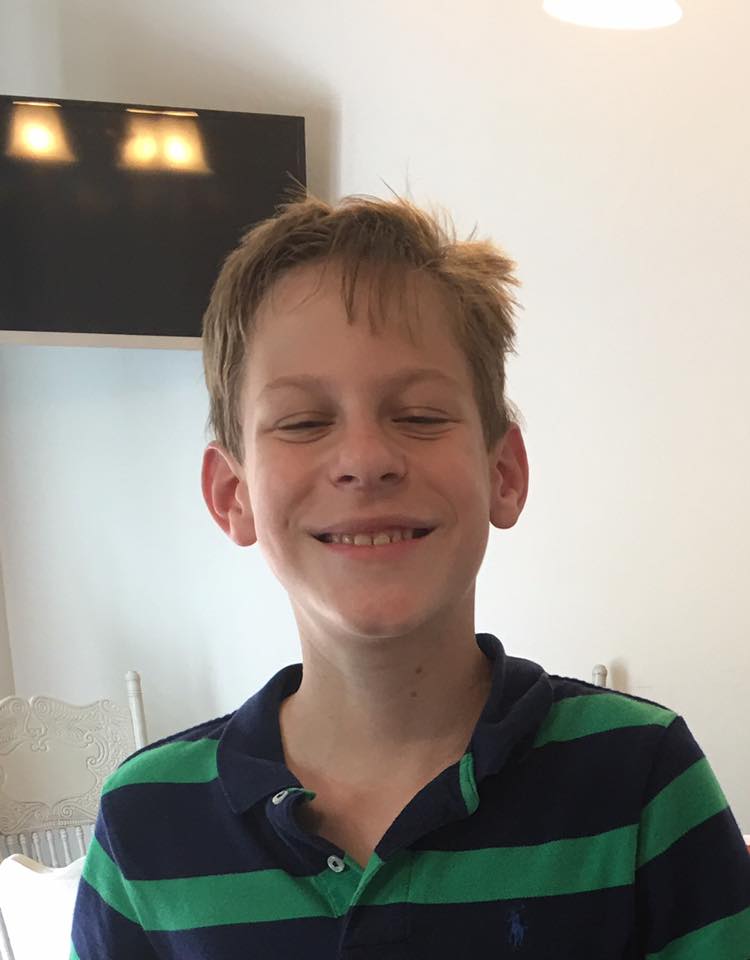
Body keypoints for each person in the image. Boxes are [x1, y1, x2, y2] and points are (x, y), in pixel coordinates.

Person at [70, 194, 750, 959]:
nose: (365, 459)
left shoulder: (644, 781)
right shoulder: (145, 825)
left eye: (421, 415)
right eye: (304, 421)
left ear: (503, 474)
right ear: (234, 495)